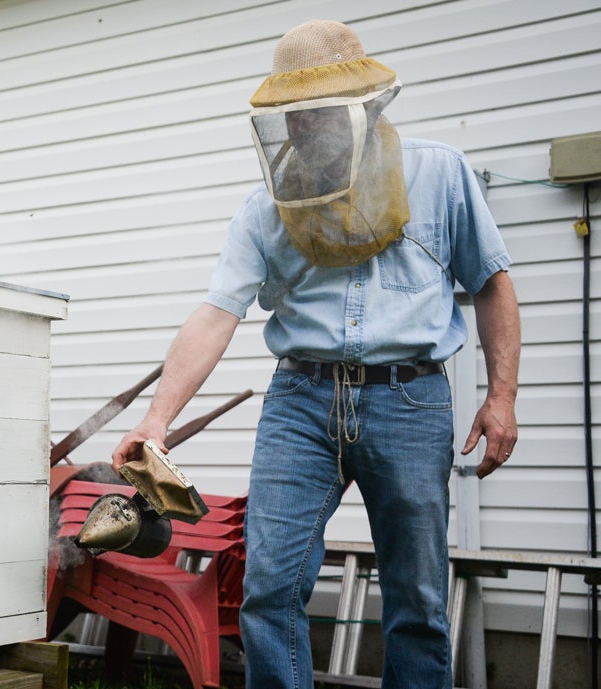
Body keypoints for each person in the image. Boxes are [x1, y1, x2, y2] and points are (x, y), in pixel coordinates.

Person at [111, 19, 520, 689]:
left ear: (364, 105)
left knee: (417, 598)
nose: (302, 130)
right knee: (269, 585)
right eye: (291, 117)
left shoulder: (439, 172)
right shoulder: (264, 207)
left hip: (410, 397)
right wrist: (157, 417)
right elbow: (217, 312)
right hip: (300, 402)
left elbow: (492, 283)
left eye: (317, 113)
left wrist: (501, 396)